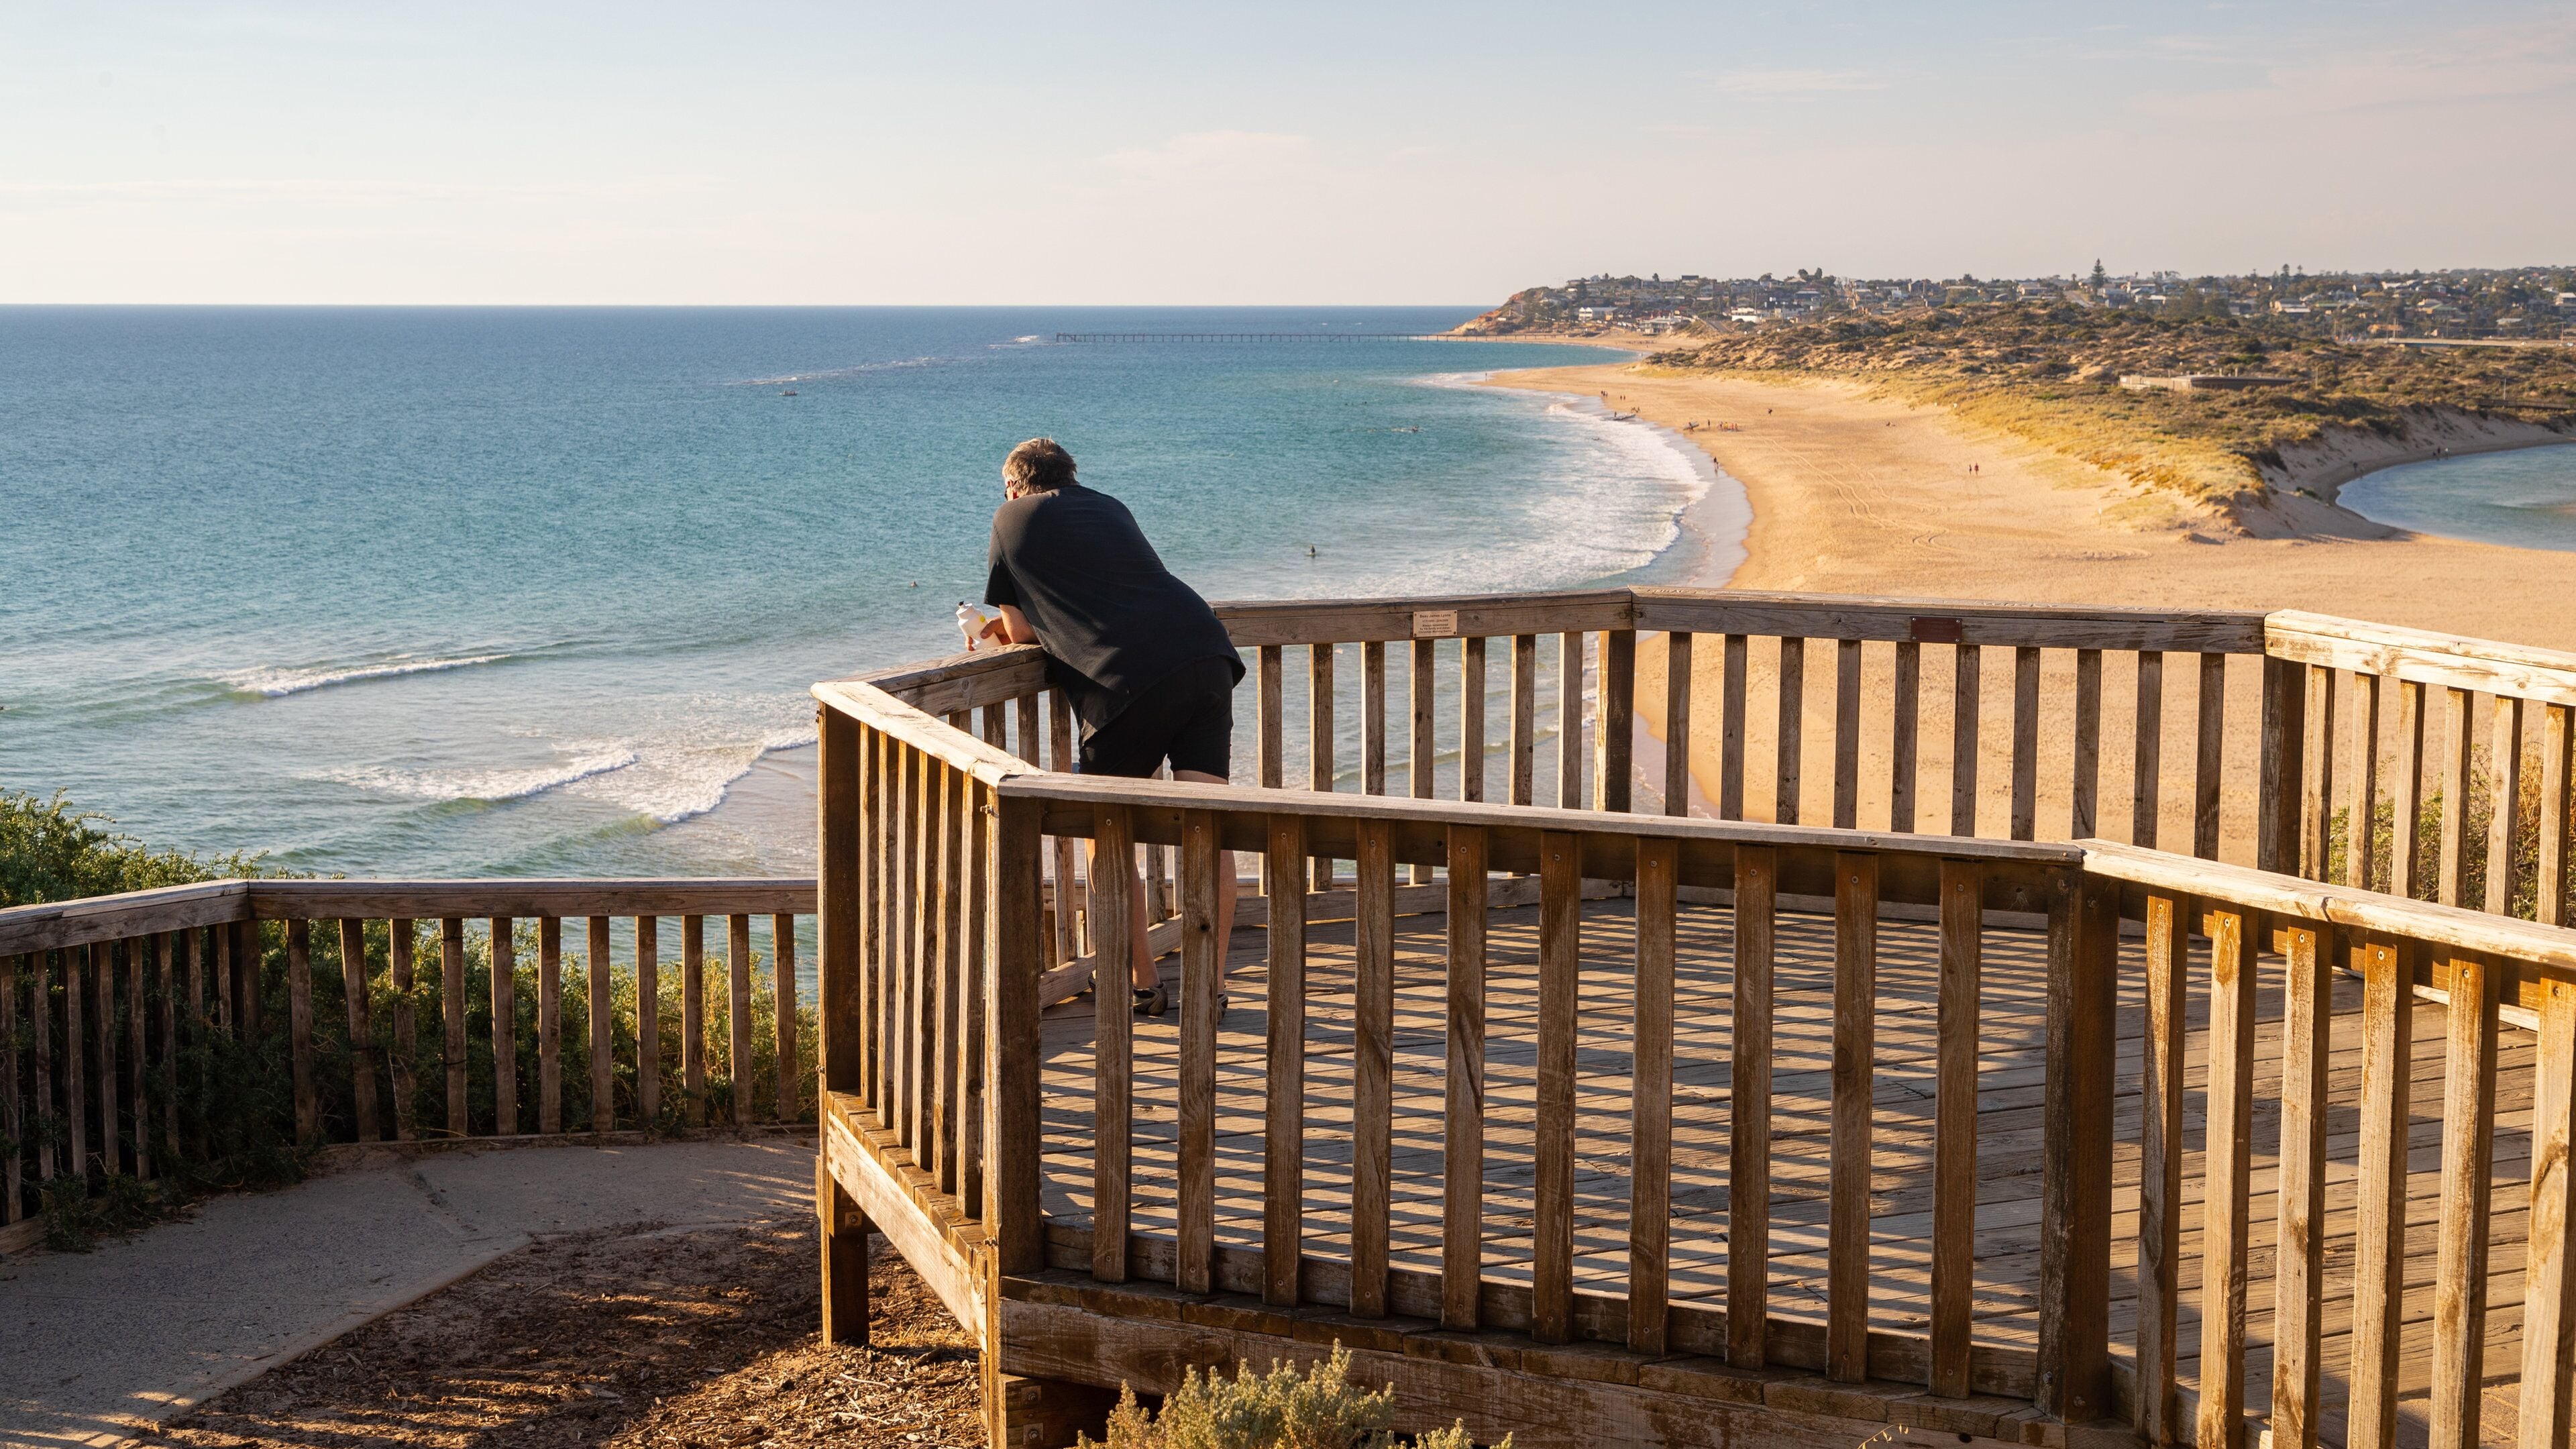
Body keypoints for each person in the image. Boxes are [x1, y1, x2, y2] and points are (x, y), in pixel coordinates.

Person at [973, 437, 1240, 1018]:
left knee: (1108, 835)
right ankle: (1212, 986)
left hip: (1127, 680)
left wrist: (984, 633)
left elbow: (1019, 631)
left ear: (1015, 485)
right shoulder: (1110, 505)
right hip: (1203, 650)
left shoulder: (1008, 517)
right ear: (1070, 476)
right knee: (1209, 824)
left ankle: (1145, 984)